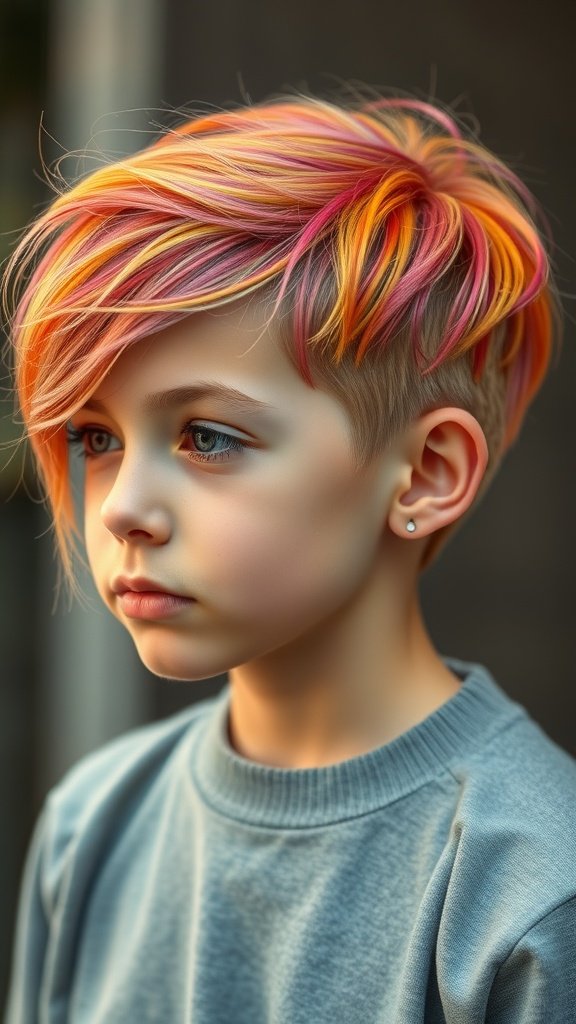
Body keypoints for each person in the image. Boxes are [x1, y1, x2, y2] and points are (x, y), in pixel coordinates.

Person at [3, 87, 575, 1023]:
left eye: (208, 438)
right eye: (95, 439)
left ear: (428, 473)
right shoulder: (90, 827)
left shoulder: (531, 895)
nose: (125, 510)